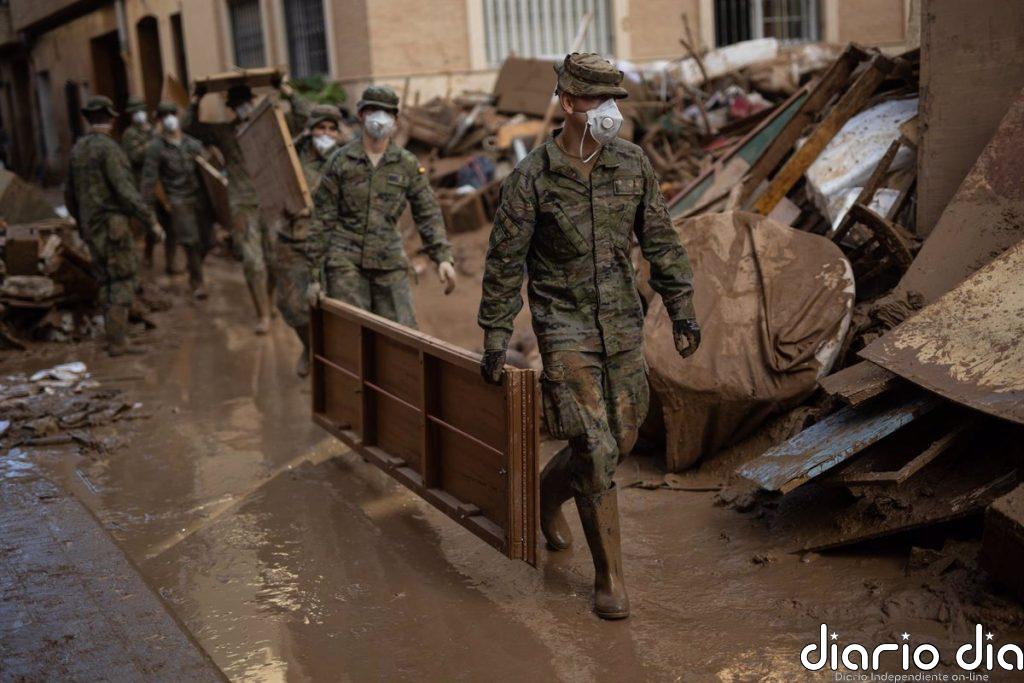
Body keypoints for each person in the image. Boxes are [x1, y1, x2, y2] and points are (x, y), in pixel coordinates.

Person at [476, 53, 701, 620]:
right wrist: (496, 336)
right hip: (565, 325)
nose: (610, 112)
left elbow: (661, 241)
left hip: (622, 321)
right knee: (595, 447)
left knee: (619, 437)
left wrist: (682, 309)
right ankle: (610, 580)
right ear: (570, 103)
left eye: (615, 102)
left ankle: (546, 497)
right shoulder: (531, 179)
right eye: (599, 102)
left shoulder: (632, 164)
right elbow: (504, 265)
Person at [305, 85, 456, 328]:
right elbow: (322, 219)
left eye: (386, 113)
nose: (379, 118)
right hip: (345, 260)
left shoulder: (406, 164)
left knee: (403, 333)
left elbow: (427, 211)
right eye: (373, 110)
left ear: (395, 120)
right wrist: (314, 275)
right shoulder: (341, 162)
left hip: (389, 258)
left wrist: (442, 257)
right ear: (361, 115)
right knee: (350, 333)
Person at [65, 96, 164, 356]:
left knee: (105, 281)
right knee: (123, 279)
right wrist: (150, 220)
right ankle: (118, 342)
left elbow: (69, 195)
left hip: (91, 228)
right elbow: (125, 191)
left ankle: (115, 337)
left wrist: (82, 223)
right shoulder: (109, 149)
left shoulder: (77, 150)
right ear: (110, 118)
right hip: (113, 228)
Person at [185, 82, 276, 334]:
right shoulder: (225, 133)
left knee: (275, 260)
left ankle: (269, 301)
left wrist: (284, 89)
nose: (243, 107)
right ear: (233, 108)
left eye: (245, 101)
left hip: (271, 202)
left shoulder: (268, 127)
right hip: (243, 203)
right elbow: (189, 127)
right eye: (238, 104)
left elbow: (301, 120)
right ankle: (263, 314)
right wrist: (196, 101)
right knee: (252, 261)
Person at [277, 103, 346, 377]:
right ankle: (310, 346)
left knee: (337, 304)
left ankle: (336, 359)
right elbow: (270, 190)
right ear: (310, 130)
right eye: (321, 127)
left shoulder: (346, 158)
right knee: (291, 304)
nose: (326, 133)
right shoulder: (290, 157)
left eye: (332, 128)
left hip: (333, 241)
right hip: (294, 239)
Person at [141, 102, 209, 300]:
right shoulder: (156, 148)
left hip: (198, 198)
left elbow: (209, 165)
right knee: (190, 241)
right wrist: (149, 209)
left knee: (208, 240)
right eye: (164, 116)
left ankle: (193, 266)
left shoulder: (191, 143)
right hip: (177, 199)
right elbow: (149, 179)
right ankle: (198, 282)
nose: (170, 119)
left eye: (172, 114)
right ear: (160, 121)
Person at [121, 96, 177, 273]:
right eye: (136, 112)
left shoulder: (152, 130)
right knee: (151, 225)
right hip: (145, 185)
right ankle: (148, 256)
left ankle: (170, 263)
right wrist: (153, 141)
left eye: (142, 111)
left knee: (170, 225)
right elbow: (135, 156)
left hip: (162, 184)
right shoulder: (130, 135)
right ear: (131, 115)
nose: (140, 115)